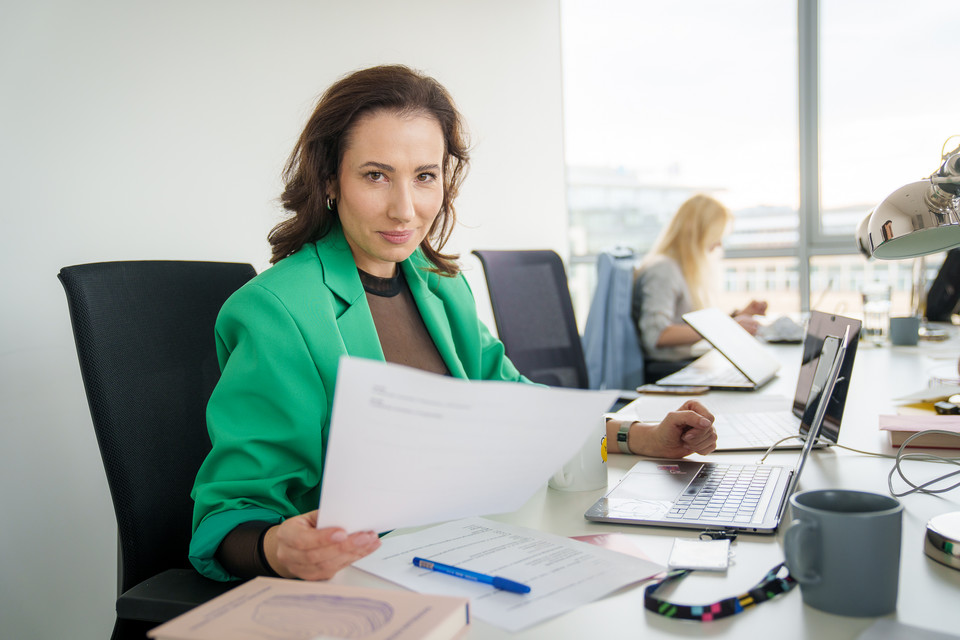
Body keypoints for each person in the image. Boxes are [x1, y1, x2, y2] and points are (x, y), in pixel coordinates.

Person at [189, 65, 718, 584]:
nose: (405, 209)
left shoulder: (440, 285)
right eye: (376, 175)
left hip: (472, 547)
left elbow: (520, 406)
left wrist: (639, 435)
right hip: (364, 578)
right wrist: (275, 548)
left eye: (425, 177)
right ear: (330, 179)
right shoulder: (276, 310)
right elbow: (231, 511)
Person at [631, 194, 767, 376]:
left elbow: (693, 324)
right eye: (716, 236)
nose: (718, 244)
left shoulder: (681, 267)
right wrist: (727, 326)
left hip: (688, 362)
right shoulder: (663, 270)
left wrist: (738, 316)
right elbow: (657, 335)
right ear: (697, 233)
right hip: (670, 370)